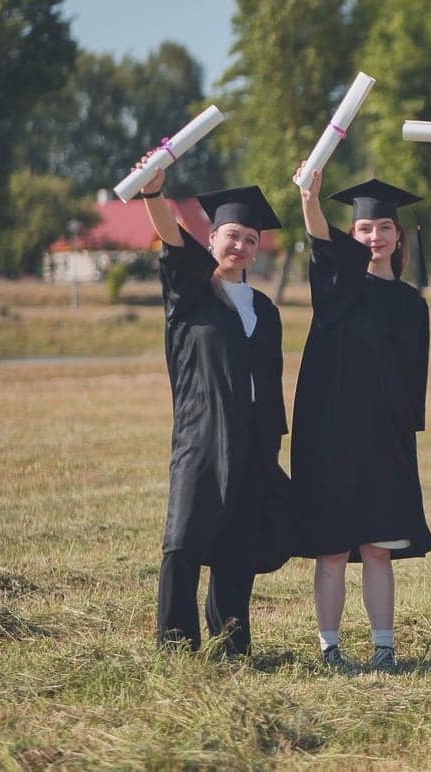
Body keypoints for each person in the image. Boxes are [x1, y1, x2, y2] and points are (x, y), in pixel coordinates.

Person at [135, 159, 291, 658]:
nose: (239, 245)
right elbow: (169, 237)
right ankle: (176, 645)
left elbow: (270, 379)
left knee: (238, 546)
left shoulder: (265, 309)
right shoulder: (192, 292)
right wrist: (155, 194)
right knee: (183, 539)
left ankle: (231, 644)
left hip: (252, 438)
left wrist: (271, 443)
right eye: (230, 235)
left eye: (249, 237)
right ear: (211, 237)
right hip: (200, 435)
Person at [291, 169, 431, 674]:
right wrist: (310, 197)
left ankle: (383, 647)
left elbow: (416, 381)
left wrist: (404, 438)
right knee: (331, 550)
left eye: (384, 228)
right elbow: (319, 243)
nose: (375, 237)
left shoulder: (412, 305)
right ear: (352, 237)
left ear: (399, 236)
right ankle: (329, 647)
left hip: (384, 441)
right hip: (330, 438)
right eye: (364, 229)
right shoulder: (337, 288)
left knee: (378, 548)